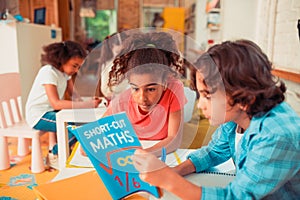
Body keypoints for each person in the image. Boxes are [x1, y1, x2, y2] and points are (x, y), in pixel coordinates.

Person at [132, 39, 300, 199]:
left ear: (242, 94)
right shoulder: (237, 117)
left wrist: (168, 180)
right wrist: (175, 171)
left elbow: (236, 198)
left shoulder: (276, 136)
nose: (200, 105)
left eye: (208, 96)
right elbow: (213, 153)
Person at [99, 31, 186, 156]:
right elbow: (92, 139)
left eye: (151, 89)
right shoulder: (123, 99)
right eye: (135, 88)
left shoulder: (174, 89)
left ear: (164, 81)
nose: (142, 98)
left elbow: (174, 139)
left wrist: (142, 155)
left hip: (155, 155)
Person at [25, 41, 102, 164]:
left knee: (81, 123)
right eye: (74, 65)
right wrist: (85, 105)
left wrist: (88, 103)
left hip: (52, 112)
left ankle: (63, 151)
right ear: (62, 59)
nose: (76, 70)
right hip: (39, 116)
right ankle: (54, 154)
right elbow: (56, 103)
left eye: (79, 67)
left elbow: (75, 96)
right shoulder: (48, 72)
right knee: (76, 129)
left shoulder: (65, 74)